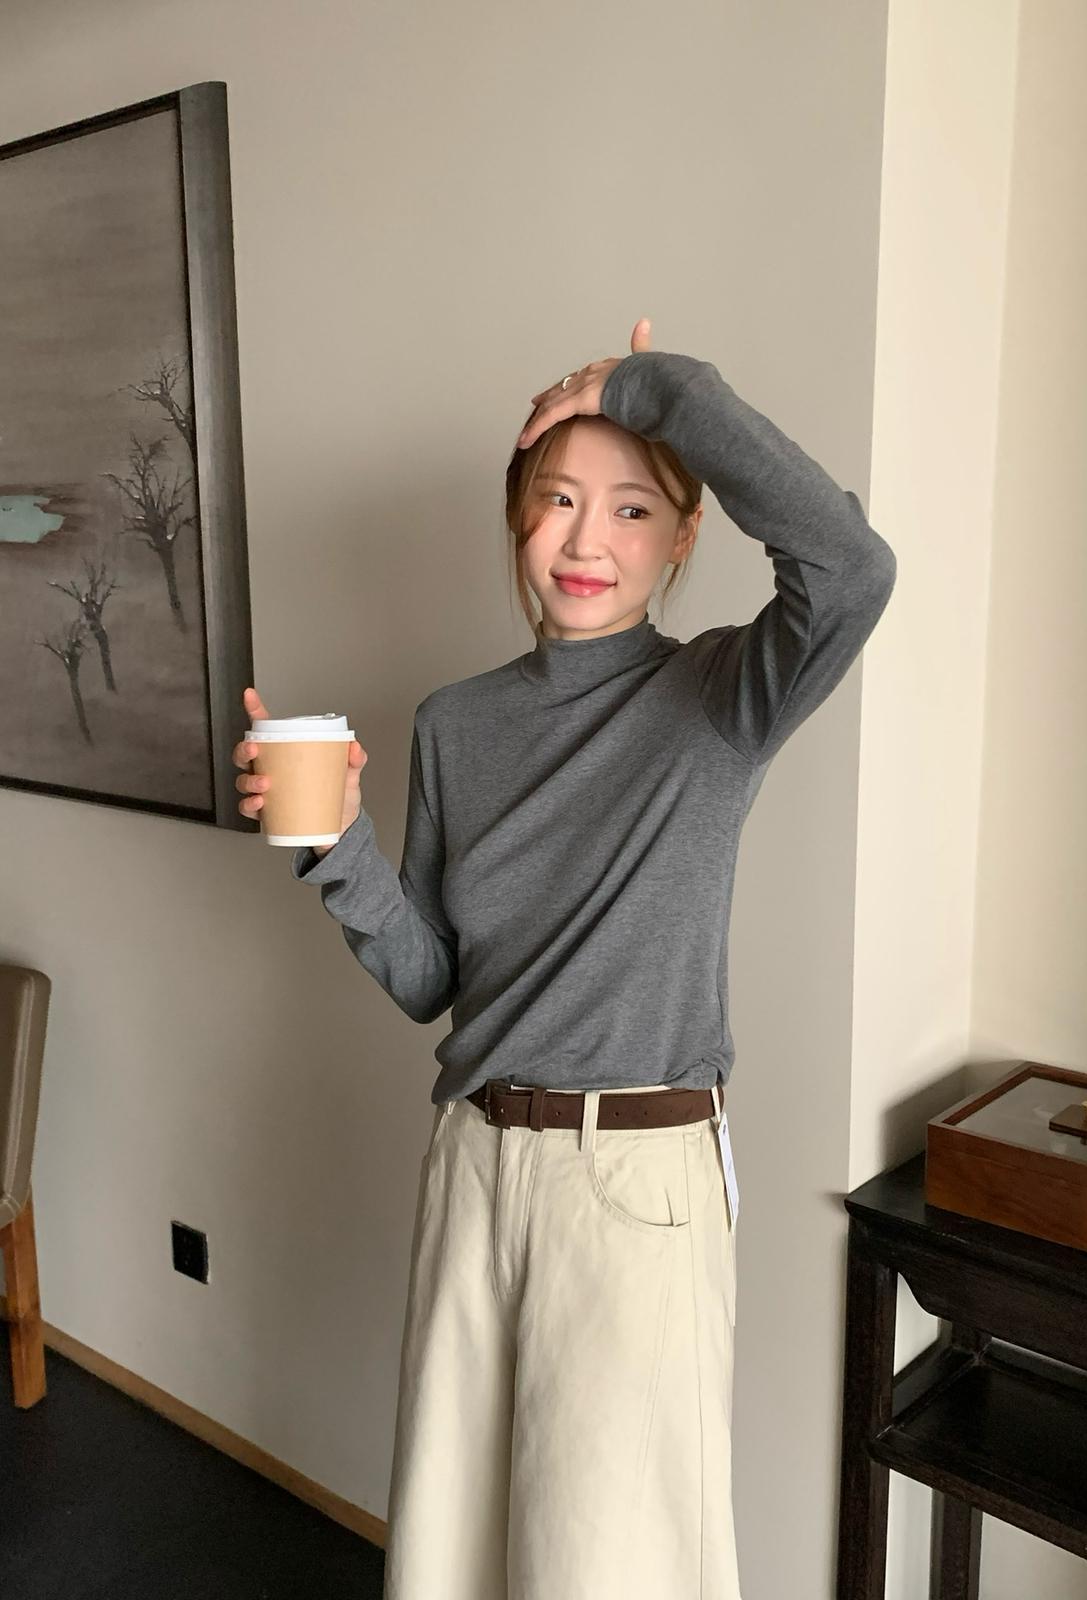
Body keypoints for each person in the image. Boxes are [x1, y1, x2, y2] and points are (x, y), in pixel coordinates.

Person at [231, 315, 897, 1599]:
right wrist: (334, 847)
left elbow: (851, 565)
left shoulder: (720, 698)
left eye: (633, 507)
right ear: (517, 519)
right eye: (558, 500)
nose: (588, 541)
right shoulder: (455, 724)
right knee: (454, 1556)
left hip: (634, 1186)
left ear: (684, 536)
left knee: (611, 1569)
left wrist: (660, 389)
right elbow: (435, 981)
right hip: (475, 1167)